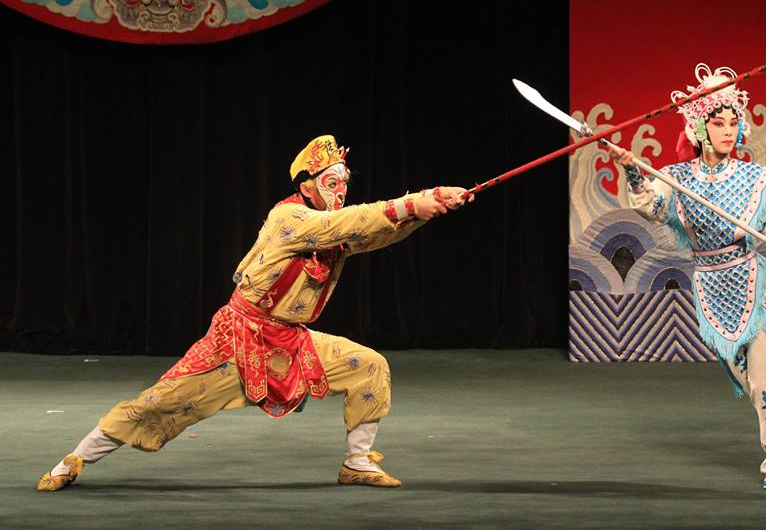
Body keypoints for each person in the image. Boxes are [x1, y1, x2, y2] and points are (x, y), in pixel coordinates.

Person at [37, 135, 471, 491]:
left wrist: (429, 209)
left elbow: (372, 233)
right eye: (330, 181)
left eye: (343, 182)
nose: (340, 190)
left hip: (291, 339)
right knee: (160, 401)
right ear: (307, 186)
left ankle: (356, 463)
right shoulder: (290, 219)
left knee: (369, 367)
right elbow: (342, 225)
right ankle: (72, 460)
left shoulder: (332, 229)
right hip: (240, 337)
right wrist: (416, 201)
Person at [613, 64, 766, 491]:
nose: (728, 130)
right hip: (711, 289)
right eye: (718, 123)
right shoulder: (677, 179)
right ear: (699, 129)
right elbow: (651, 206)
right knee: (761, 386)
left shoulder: (757, 179)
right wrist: (632, 169)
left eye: (732, 122)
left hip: (755, 286)